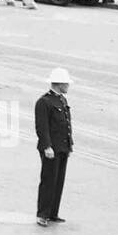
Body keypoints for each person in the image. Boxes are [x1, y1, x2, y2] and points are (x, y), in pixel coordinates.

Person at [35, 67, 74, 226]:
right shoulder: (44, 102)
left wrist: (69, 145)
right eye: (67, 83)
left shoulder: (61, 100)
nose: (68, 86)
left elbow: (66, 125)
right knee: (48, 181)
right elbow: (42, 127)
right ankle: (42, 214)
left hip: (63, 147)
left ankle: (53, 213)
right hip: (51, 149)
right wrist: (47, 147)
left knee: (58, 181)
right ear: (59, 84)